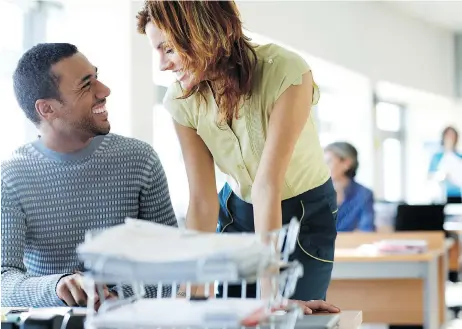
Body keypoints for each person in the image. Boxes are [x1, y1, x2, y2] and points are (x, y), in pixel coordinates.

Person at [136, 1, 340, 314]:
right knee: (231, 313)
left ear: (203, 33)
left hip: (304, 211)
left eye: (169, 49)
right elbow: (203, 201)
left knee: (291, 314)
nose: (163, 65)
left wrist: (270, 295)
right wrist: (193, 287)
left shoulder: (286, 72)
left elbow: (268, 185)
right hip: (239, 209)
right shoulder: (180, 100)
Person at [1, 43, 178, 308]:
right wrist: (60, 287)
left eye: (96, 77)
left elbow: (172, 263)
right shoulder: (10, 178)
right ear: (47, 109)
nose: (105, 91)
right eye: (86, 85)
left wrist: (114, 295)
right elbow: (4, 280)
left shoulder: (140, 160)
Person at [324, 142, 375, 232]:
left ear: (346, 163)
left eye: (328, 161)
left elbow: (367, 230)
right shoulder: (315, 193)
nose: (323, 167)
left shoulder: (363, 194)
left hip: (350, 245)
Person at [428, 126, 462, 203]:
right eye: (448, 136)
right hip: (440, 196)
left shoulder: (459, 156)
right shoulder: (437, 157)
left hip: (458, 195)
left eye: (453, 136)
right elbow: (430, 176)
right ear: (443, 137)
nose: (450, 139)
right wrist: (442, 175)